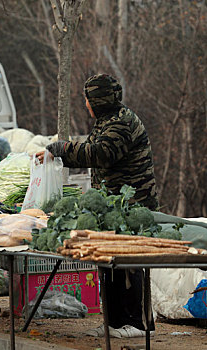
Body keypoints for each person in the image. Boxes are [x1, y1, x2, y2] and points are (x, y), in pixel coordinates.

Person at [37, 74, 158, 338]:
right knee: (110, 263)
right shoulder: (107, 121)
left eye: (88, 99)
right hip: (114, 208)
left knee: (129, 264)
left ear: (98, 100)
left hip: (133, 207)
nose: (86, 104)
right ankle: (114, 323)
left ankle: (137, 324)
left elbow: (100, 154)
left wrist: (62, 148)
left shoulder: (121, 123)